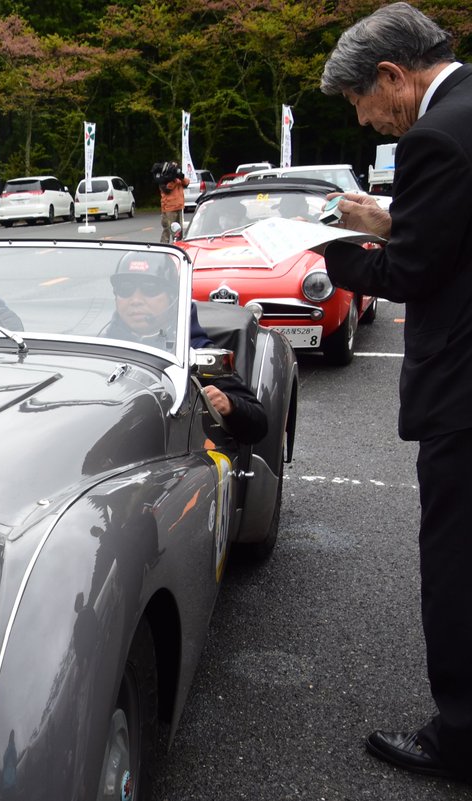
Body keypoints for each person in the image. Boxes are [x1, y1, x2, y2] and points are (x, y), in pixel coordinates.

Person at [319, 2, 472, 782]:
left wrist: (332, 252)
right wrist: (390, 220)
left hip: (464, 396)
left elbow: (414, 273)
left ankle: (459, 738)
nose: (369, 121)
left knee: (456, 566)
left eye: (362, 104)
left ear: (392, 75)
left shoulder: (436, 138)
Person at [101, 251, 267, 444]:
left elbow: (258, 424)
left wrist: (228, 405)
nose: (135, 300)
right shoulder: (100, 347)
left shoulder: (196, 349)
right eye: (125, 289)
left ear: (173, 298)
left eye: (150, 288)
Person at [159, 166, 190, 243]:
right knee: (168, 229)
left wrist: (181, 177)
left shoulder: (178, 179)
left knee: (178, 229)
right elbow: (168, 189)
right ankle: (164, 246)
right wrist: (174, 180)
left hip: (178, 207)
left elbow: (186, 182)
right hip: (169, 208)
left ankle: (178, 244)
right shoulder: (164, 180)